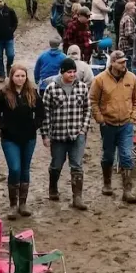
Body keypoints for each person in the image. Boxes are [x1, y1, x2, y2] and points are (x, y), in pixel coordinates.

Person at [90, 50, 136, 204]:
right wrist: (100, 119)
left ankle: (127, 190)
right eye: (120, 62)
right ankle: (107, 184)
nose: (124, 64)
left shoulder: (131, 77)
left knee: (126, 155)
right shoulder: (100, 80)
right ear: (112, 63)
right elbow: (93, 101)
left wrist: (133, 117)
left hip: (126, 124)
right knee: (108, 155)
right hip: (108, 124)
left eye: (125, 61)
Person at [0, 64, 44, 220]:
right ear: (11, 76)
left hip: (28, 138)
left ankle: (23, 203)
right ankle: (12, 204)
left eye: (23, 76)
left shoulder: (32, 93)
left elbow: (41, 113)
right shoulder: (3, 94)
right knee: (14, 168)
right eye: (17, 76)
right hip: (10, 138)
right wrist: (3, 126)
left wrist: (35, 126)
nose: (20, 79)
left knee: (25, 169)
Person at [42, 58, 91, 210]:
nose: (72, 75)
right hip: (58, 135)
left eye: (74, 72)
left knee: (77, 165)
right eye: (69, 72)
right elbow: (45, 113)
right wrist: (45, 135)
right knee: (56, 165)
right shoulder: (51, 89)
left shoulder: (82, 88)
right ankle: (53, 188)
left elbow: (87, 109)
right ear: (62, 72)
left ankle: (77, 197)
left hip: (77, 134)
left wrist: (84, 129)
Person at [0, 0, 19, 79]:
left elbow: (15, 22)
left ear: (3, 1)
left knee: (11, 55)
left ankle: (9, 67)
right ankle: (1, 75)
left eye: (0, 1)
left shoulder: (10, 10)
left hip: (8, 38)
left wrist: (11, 30)